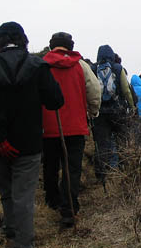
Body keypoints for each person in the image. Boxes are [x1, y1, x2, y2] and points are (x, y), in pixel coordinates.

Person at [0, 22, 64, 248]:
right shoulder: (38, 66)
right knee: (24, 196)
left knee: (7, 193)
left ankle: (10, 235)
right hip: (29, 144)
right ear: (23, 40)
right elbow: (55, 101)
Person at [41, 32, 101, 228]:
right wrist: (93, 111)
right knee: (71, 169)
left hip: (48, 126)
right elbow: (94, 90)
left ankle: (51, 201)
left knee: (50, 166)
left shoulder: (42, 65)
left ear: (52, 46)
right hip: (76, 126)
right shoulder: (81, 65)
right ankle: (69, 209)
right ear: (70, 46)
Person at [91, 45, 135, 187]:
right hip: (118, 112)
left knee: (102, 145)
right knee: (122, 142)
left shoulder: (93, 69)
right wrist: (132, 106)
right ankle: (124, 170)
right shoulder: (117, 68)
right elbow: (126, 90)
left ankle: (102, 177)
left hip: (99, 114)